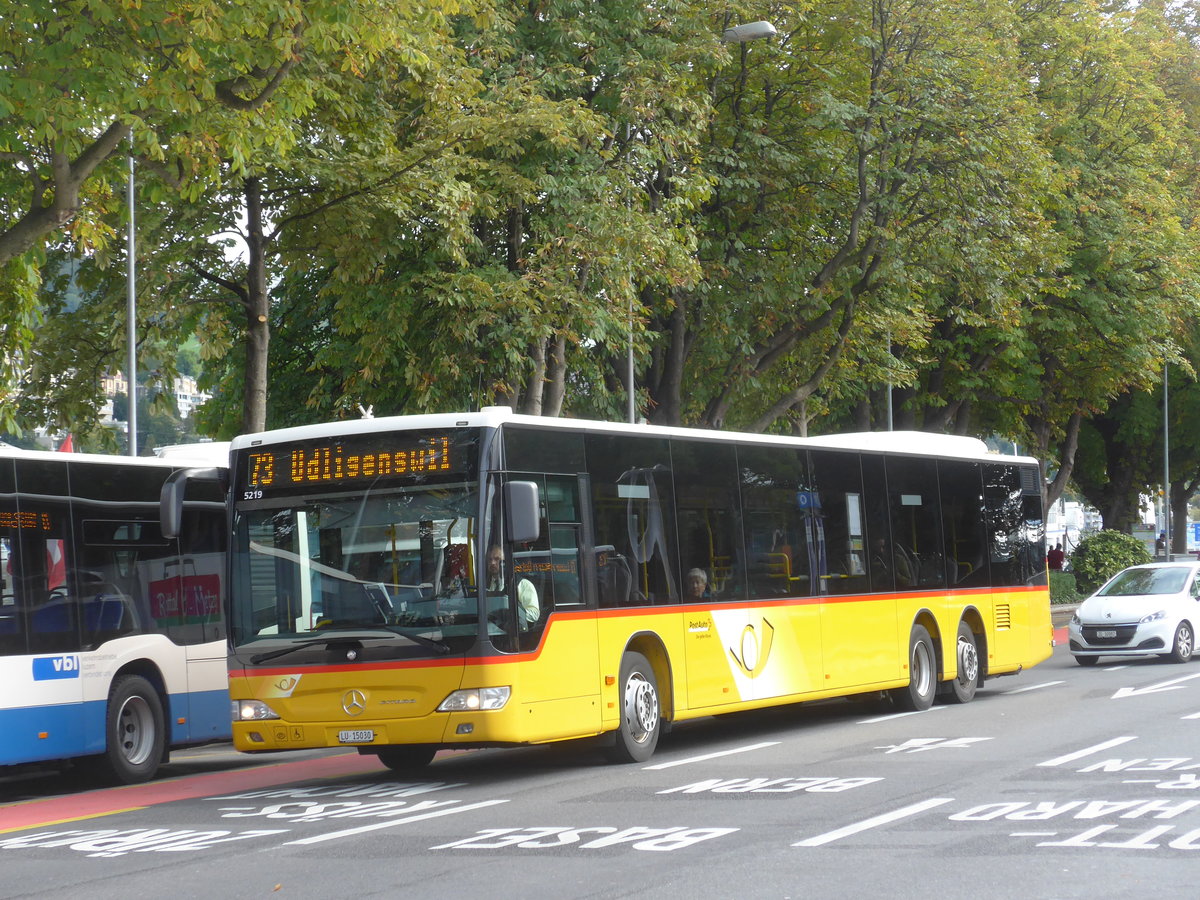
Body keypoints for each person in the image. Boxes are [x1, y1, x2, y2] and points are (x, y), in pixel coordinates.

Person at [486, 545, 539, 629]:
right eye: (490, 559)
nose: (492, 563)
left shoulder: (522, 584)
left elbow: (534, 614)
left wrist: (511, 613)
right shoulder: (486, 585)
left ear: (506, 562)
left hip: (515, 632)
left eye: (497, 559)